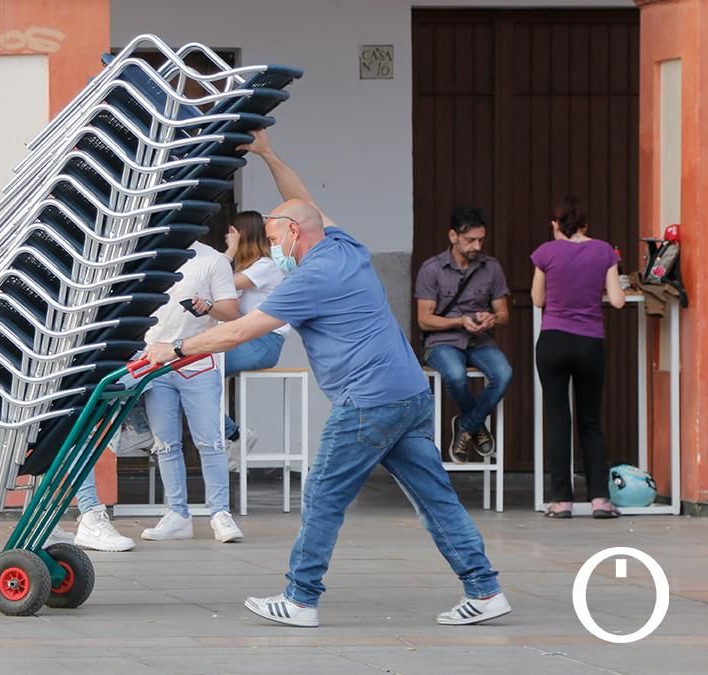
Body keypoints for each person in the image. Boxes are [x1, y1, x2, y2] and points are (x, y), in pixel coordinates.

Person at [142, 128, 509, 628]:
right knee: (435, 496)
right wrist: (269, 153)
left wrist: (174, 349)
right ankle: (485, 590)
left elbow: (240, 330)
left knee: (321, 493)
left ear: (295, 234)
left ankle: (299, 598)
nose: (271, 253)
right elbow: (305, 200)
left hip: (368, 402)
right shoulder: (344, 246)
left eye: (273, 241)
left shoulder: (311, 278)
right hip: (408, 395)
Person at [64, 237, 246, 549]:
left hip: (197, 361)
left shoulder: (212, 259)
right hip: (152, 360)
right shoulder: (149, 255)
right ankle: (177, 514)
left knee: (210, 440)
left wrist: (209, 307)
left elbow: (232, 311)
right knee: (165, 443)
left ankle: (220, 514)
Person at [531, 195, 626, 519]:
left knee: (558, 421)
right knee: (590, 421)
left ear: (557, 224)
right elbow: (617, 301)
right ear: (584, 225)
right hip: (590, 344)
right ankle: (600, 499)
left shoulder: (546, 252)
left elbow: (537, 298)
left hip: (554, 342)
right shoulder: (604, 251)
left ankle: (562, 502)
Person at [415, 207, 512, 463]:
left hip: (479, 341)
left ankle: (466, 424)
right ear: (453, 236)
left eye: (481, 239)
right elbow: (424, 319)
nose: (477, 245)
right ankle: (476, 426)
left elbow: (504, 313)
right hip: (441, 342)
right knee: (456, 376)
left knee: (503, 374)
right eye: (470, 240)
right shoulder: (431, 269)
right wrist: (460, 321)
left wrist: (492, 317)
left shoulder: (491, 268)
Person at [221, 211, 288, 464]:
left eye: (231, 234)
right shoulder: (252, 269)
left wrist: (229, 252)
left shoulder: (266, 267)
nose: (226, 238)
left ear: (242, 236)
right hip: (249, 340)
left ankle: (235, 436)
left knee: (202, 372)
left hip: (263, 343)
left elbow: (218, 281)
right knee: (198, 375)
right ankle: (234, 435)